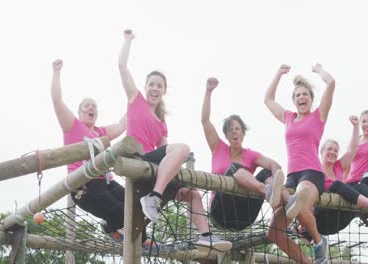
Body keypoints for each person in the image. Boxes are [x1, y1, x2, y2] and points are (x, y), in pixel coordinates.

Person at [118, 29, 231, 251]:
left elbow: (166, 155)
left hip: (152, 169)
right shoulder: (135, 100)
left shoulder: (161, 123)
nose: (155, 88)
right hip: (138, 161)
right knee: (183, 148)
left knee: (193, 194)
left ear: (164, 92)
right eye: (152, 84)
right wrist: (128, 41)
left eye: (159, 86)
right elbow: (122, 67)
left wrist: (177, 183)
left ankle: (206, 237)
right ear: (145, 87)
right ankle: (155, 197)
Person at [51, 59, 127, 242]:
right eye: (87, 106)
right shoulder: (73, 126)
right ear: (80, 112)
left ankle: (120, 230)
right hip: (84, 185)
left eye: (94, 106)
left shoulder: (101, 132)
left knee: (134, 204)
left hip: (105, 181)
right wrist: (56, 72)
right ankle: (112, 226)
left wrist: (138, 99)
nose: (91, 107)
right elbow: (57, 100)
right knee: (120, 212)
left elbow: (123, 124)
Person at [264, 64, 333, 264]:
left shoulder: (318, 116)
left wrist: (319, 70)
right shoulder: (288, 118)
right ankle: (307, 262)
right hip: (292, 176)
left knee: (298, 199)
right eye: (297, 96)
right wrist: (278, 74)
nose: (301, 97)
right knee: (273, 233)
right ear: (294, 101)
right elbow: (268, 100)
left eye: (305, 95)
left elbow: (331, 83)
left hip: (311, 174)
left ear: (311, 99)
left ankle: (320, 241)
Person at [201, 77, 284, 231]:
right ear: (226, 135)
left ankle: (280, 200)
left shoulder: (251, 155)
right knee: (234, 169)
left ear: (243, 133)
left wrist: (274, 181)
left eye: (237, 128)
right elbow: (205, 121)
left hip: (244, 215)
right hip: (221, 213)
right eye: (230, 129)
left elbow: (275, 165)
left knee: (267, 172)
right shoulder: (218, 148)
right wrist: (208, 91)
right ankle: (267, 191)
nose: (234, 131)